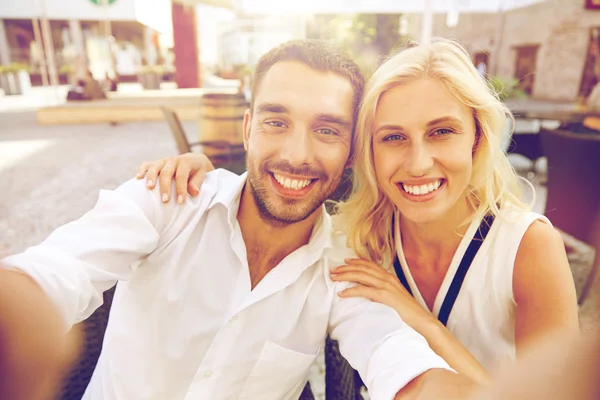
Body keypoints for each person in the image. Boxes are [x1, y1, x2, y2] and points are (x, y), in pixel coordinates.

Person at [0, 40, 474, 400]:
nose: (296, 154)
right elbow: (59, 267)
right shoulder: (168, 199)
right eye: (276, 122)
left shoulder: (341, 268)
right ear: (247, 129)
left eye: (327, 131)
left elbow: (394, 354)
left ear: (351, 153)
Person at [138, 38, 579, 381]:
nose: (418, 162)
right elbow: (293, 175)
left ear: (477, 139)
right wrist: (204, 175)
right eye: (392, 137)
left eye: (442, 131)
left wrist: (419, 319)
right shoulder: (362, 237)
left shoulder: (528, 247)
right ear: (365, 152)